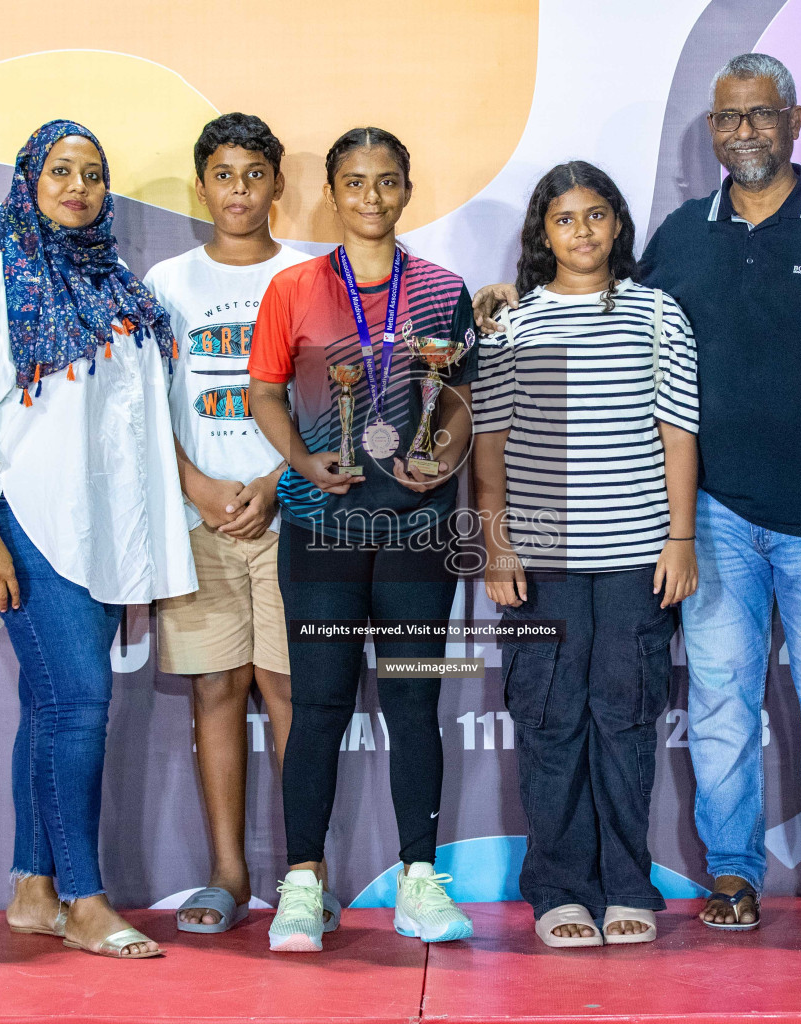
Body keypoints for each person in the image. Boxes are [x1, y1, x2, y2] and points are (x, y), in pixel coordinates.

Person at [474, 53, 801, 935]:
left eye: (759, 115)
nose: (743, 131)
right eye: (727, 119)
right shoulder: (681, 236)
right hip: (710, 515)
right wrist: (503, 302)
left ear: (792, 120)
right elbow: (599, 307)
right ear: (711, 131)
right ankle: (731, 877)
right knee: (718, 701)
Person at [0, 119, 196, 959]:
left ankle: (31, 888)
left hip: (104, 534)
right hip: (25, 525)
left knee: (48, 707)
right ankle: (84, 899)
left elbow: (135, 429)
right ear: (29, 182)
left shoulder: (123, 289)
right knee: (77, 705)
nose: (78, 186)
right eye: (60, 171)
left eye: (93, 173)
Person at [247, 127, 479, 952]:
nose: (371, 197)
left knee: (415, 704)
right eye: (354, 182)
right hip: (321, 527)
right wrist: (305, 457)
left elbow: (458, 401)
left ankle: (420, 882)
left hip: (418, 529)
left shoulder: (441, 290)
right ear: (333, 194)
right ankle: (304, 885)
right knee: (317, 709)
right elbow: (266, 392)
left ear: (406, 190)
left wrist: (440, 458)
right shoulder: (294, 289)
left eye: (386, 181)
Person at [472, 161, 700, 948]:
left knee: (627, 716)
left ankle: (627, 886)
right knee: (549, 717)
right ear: (543, 233)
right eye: (565, 220)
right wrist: (496, 546)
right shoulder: (514, 325)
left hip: (637, 556)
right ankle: (560, 891)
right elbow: (490, 446)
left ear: (618, 225)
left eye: (596, 216)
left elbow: (677, 431)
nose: (583, 232)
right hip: (542, 562)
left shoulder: (657, 314)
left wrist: (679, 537)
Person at [142, 113, 309, 934]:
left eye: (254, 174)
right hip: (198, 518)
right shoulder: (166, 283)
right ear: (201, 184)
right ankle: (228, 875)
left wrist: (278, 481)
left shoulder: (314, 275)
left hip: (293, 519)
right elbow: (140, 407)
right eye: (223, 174)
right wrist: (197, 485)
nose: (238, 191)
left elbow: (333, 404)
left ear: (278, 184)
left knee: (287, 691)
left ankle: (304, 878)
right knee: (215, 689)